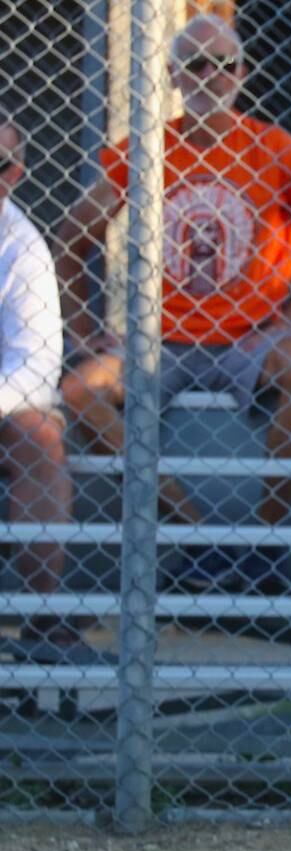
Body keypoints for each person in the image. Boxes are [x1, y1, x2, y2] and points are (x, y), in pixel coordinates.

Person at [56, 14, 291, 594]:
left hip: (250, 335)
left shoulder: (272, 147)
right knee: (80, 390)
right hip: (161, 339)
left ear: (241, 74)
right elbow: (72, 239)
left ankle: (265, 548)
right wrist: (84, 331)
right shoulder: (147, 150)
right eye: (196, 64)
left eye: (223, 64)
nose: (210, 75)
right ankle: (201, 541)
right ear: (174, 74)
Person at [0, 111, 99, 675]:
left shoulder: (23, 247)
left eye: (0, 164)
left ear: (17, 172)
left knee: (39, 436)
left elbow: (37, 363)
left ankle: (41, 616)